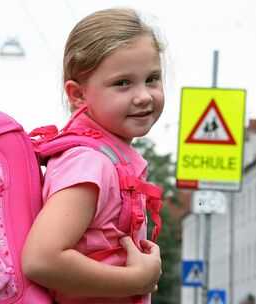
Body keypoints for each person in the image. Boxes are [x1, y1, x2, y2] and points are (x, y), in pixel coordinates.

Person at [22, 7, 165, 304]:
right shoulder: (90, 162)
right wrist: (136, 280)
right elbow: (41, 259)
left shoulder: (106, 157)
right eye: (122, 83)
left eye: (152, 79)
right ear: (78, 95)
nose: (144, 95)